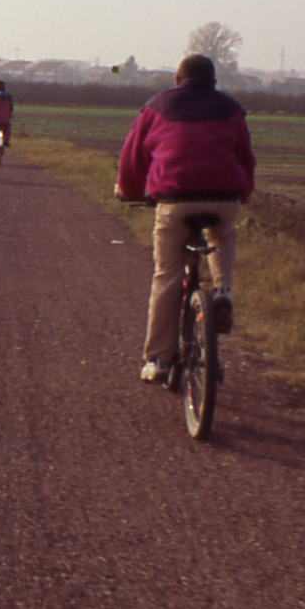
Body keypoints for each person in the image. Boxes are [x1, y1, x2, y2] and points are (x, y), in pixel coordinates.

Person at [114, 54, 255, 383]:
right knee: (222, 234)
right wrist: (242, 193)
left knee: (167, 276)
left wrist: (130, 190)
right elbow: (246, 158)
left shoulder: (157, 105)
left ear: (178, 80)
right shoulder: (232, 109)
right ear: (213, 81)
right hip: (223, 197)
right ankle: (222, 292)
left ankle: (159, 360)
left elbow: (133, 157)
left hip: (175, 198)